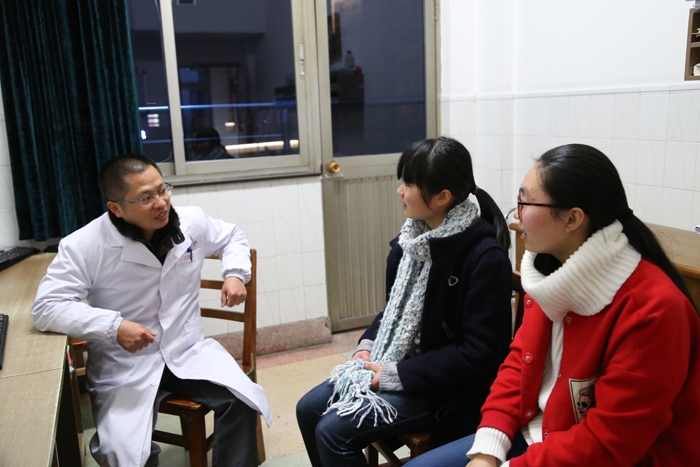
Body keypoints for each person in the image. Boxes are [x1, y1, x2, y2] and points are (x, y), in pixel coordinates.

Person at [404, 143, 700, 467]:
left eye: (525, 202)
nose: (516, 215)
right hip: (537, 435)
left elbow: (610, 443)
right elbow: (518, 365)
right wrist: (487, 450)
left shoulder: (652, 310)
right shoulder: (551, 270)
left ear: (572, 218)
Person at [31, 154, 272, 467]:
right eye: (145, 198)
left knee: (241, 400)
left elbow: (231, 236)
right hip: (126, 365)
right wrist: (113, 327)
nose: (161, 203)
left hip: (186, 351)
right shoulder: (84, 245)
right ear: (116, 208)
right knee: (126, 453)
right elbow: (47, 306)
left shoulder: (190, 221)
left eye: (162, 190)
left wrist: (236, 273)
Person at [296, 137, 514, 467]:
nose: (400, 191)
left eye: (410, 184)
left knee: (332, 431)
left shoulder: (485, 257)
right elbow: (393, 313)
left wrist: (394, 374)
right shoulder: (411, 241)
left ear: (442, 197)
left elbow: (478, 354)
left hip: (445, 390)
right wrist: (366, 347)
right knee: (308, 409)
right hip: (398, 365)